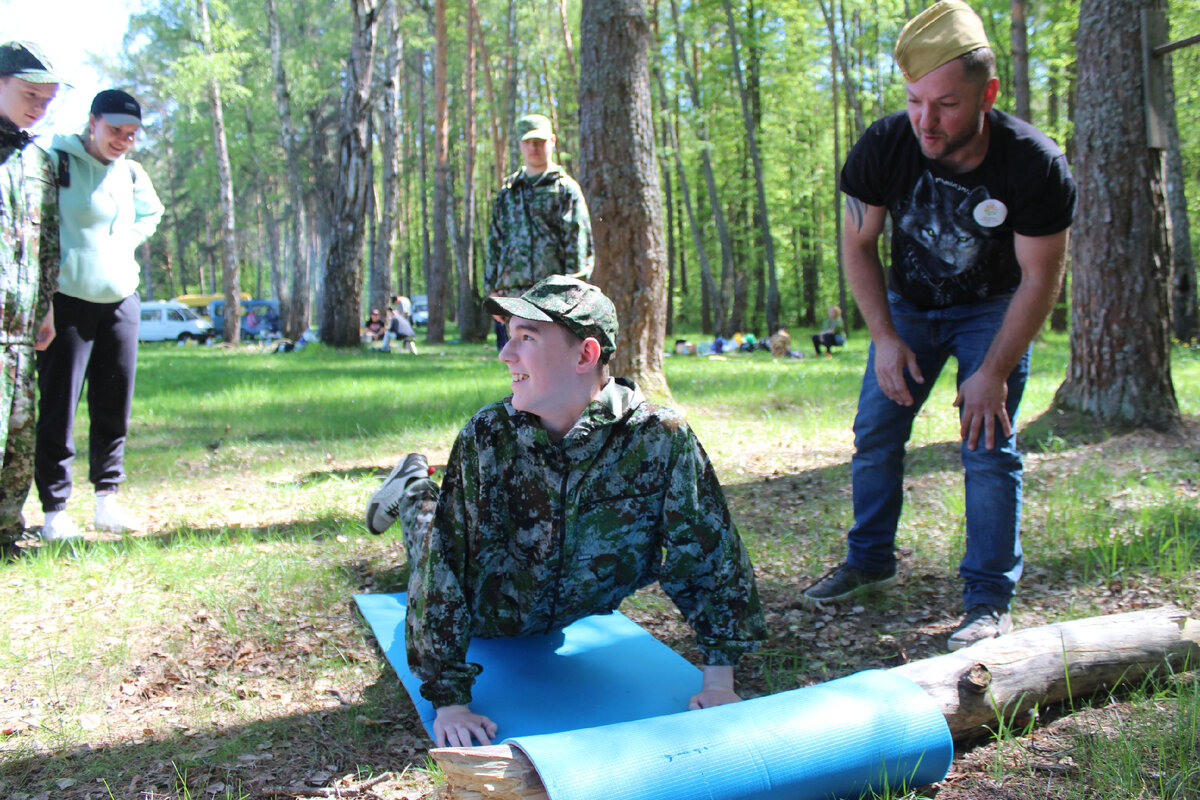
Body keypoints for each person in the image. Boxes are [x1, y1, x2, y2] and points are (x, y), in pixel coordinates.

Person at [366, 275, 766, 748]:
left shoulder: (659, 439)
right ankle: (414, 486)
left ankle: (415, 484)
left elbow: (707, 551)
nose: (505, 354)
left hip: (568, 612)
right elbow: (446, 565)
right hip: (489, 614)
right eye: (509, 335)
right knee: (429, 534)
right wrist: (450, 699)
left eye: (527, 338)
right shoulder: (490, 435)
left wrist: (720, 679)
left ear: (585, 355)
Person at [800, 0, 1075, 651]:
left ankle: (987, 598)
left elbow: (1040, 277)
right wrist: (885, 337)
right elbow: (858, 246)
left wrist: (994, 371)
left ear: (989, 94)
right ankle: (868, 560)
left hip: (995, 310)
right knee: (875, 433)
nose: (926, 119)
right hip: (909, 309)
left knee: (987, 447)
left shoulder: (1034, 164)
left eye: (947, 104)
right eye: (915, 99)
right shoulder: (884, 145)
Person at [35, 89, 165, 540]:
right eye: (114, 131)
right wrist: (45, 297)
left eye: (131, 135)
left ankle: (106, 501)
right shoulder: (56, 160)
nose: (122, 141)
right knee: (59, 405)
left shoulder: (131, 172)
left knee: (114, 402)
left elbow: (152, 213)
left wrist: (124, 241)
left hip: (120, 298)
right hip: (67, 298)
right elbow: (38, 224)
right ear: (92, 121)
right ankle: (55, 511)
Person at [0, 42, 62, 559]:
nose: (38, 106)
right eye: (29, 94)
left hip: (20, 328)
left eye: (47, 98)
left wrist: (45, 308)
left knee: (18, 440)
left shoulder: (37, 160)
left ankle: (6, 534)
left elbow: (48, 245)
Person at [485, 113, 593, 351]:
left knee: (553, 371)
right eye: (528, 142)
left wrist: (571, 296)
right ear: (520, 145)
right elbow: (495, 241)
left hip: (552, 300)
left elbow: (578, 243)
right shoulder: (508, 192)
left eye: (540, 141)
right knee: (518, 371)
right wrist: (492, 291)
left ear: (552, 141)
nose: (533, 147)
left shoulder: (565, 189)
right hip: (512, 299)